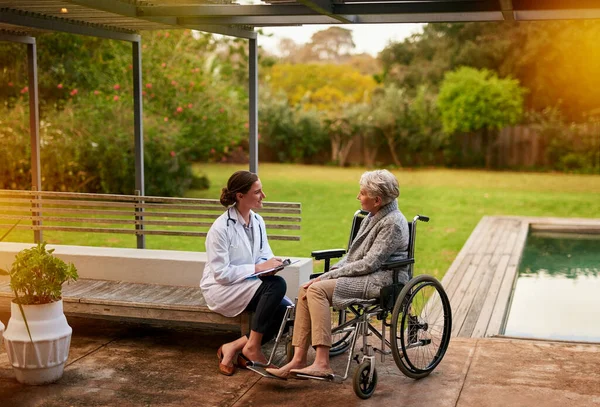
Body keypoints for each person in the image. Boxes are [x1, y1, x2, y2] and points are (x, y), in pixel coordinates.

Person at [266, 169, 409, 379]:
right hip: (364, 274)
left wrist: (327, 277)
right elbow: (353, 255)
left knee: (316, 290)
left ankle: (322, 363)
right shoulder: (374, 215)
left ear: (377, 200)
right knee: (306, 289)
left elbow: (369, 263)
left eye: (362, 193)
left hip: (381, 279)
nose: (358, 197)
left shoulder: (392, 224)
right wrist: (333, 271)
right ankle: (298, 359)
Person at [200, 170, 289, 376]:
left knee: (287, 312)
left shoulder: (257, 221)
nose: (263, 196)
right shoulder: (220, 228)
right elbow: (221, 274)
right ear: (240, 196)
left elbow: (263, 256)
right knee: (277, 286)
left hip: (248, 284)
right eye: (257, 192)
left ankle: (232, 347)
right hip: (221, 288)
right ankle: (252, 349)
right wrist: (258, 269)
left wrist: (271, 266)